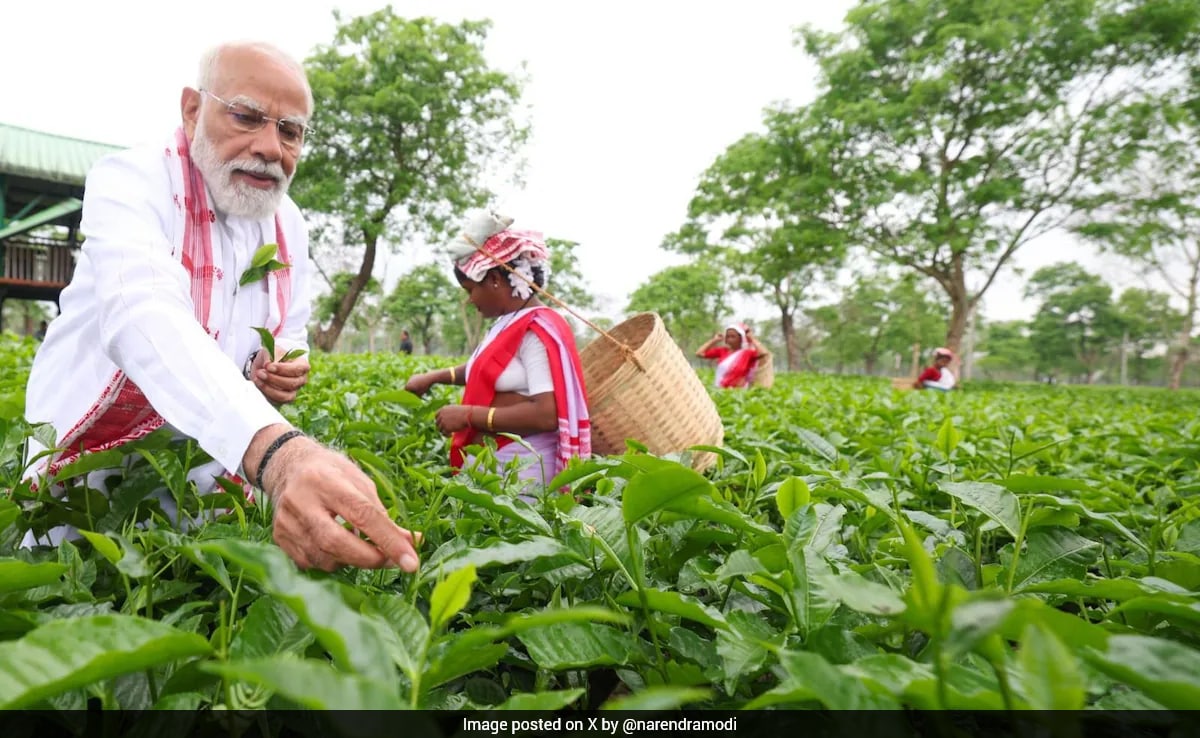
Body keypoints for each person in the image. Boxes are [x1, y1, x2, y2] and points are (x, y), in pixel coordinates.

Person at [21, 41, 419, 574]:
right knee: (79, 599)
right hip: (90, 477)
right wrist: (281, 454)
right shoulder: (133, 181)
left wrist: (286, 366)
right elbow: (142, 311)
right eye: (247, 116)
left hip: (207, 482)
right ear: (192, 109)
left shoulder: (288, 223)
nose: (270, 147)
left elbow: (291, 326)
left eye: (290, 131)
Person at [404, 210, 590, 490]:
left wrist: (468, 415)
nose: (469, 301)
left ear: (494, 280)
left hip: (524, 476)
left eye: (470, 290)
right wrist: (433, 377)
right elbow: (486, 371)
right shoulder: (508, 323)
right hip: (499, 472)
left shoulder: (535, 330)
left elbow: (546, 415)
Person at [695, 323, 762, 389]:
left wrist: (752, 339)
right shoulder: (722, 351)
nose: (729, 339)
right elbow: (699, 353)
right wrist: (714, 340)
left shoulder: (748, 353)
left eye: (733, 337)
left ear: (741, 338)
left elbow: (763, 354)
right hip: (720, 390)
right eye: (727, 337)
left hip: (738, 392)